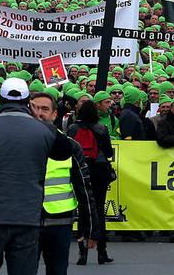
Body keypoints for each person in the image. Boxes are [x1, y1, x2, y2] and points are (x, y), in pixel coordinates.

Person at [0, 78, 72, 275]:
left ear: (1, 100)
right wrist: (40, 120)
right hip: (27, 217)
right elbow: (65, 151)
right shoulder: (45, 130)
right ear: (28, 102)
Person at [30, 92, 98, 275]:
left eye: (44, 109)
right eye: (34, 108)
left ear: (54, 115)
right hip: (27, 221)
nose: (39, 113)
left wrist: (91, 228)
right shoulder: (16, 143)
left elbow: (84, 188)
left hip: (59, 221)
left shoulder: (70, 146)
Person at [67, 100, 114, 265]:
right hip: (99, 170)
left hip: (81, 171)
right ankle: (102, 251)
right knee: (99, 210)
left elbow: (69, 150)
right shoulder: (102, 128)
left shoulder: (72, 128)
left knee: (83, 210)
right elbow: (108, 151)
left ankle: (82, 253)